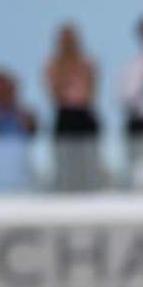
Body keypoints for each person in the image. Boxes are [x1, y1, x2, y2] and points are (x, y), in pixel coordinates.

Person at [43, 23, 100, 191]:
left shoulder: (87, 62)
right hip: (65, 115)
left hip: (83, 113)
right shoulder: (53, 64)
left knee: (87, 158)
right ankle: (64, 189)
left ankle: (89, 188)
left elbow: (90, 93)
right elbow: (55, 94)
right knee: (64, 159)